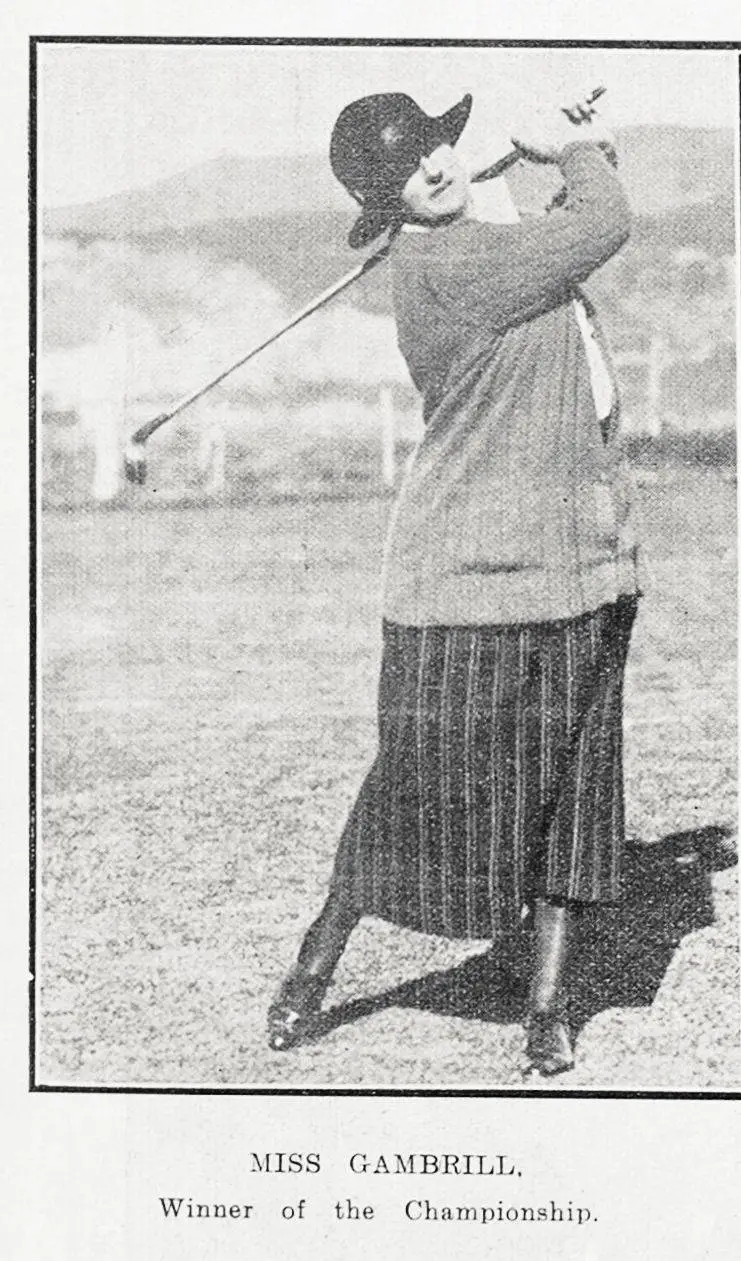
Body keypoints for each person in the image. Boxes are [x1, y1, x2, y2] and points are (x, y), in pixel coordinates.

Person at [267, 90, 640, 1077]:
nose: (433, 168)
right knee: (411, 795)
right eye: (404, 172)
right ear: (384, 204)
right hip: (468, 584)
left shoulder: (486, 248)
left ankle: (548, 1009)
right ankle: (313, 967)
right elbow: (601, 222)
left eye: (434, 147)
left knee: (575, 791)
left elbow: (561, 231)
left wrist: (562, 152)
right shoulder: (453, 266)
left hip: (581, 559)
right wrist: (562, 148)